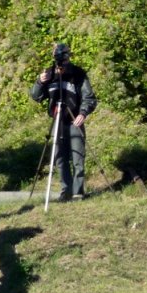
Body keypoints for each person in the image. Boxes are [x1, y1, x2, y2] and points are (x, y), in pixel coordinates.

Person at [31, 43, 97, 201]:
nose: (62, 65)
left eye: (64, 60)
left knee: (78, 157)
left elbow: (89, 97)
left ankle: (78, 192)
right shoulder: (49, 74)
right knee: (60, 158)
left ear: (68, 58)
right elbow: (36, 96)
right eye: (59, 61)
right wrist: (40, 82)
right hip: (57, 121)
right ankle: (65, 190)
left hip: (75, 120)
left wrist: (83, 112)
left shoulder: (78, 73)